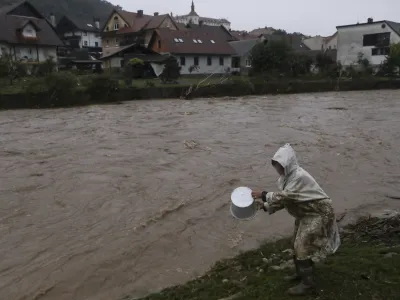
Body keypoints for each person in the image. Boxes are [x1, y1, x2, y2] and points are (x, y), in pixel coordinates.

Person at [251, 143, 340, 296]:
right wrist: (264, 206)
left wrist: (263, 194)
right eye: (276, 165)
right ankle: (301, 274)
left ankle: (307, 284)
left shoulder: (299, 177)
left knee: (301, 245)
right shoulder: (286, 179)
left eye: (280, 165)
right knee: (295, 243)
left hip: (319, 213)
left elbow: (287, 196)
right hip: (306, 214)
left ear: (288, 164)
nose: (278, 169)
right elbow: (286, 201)